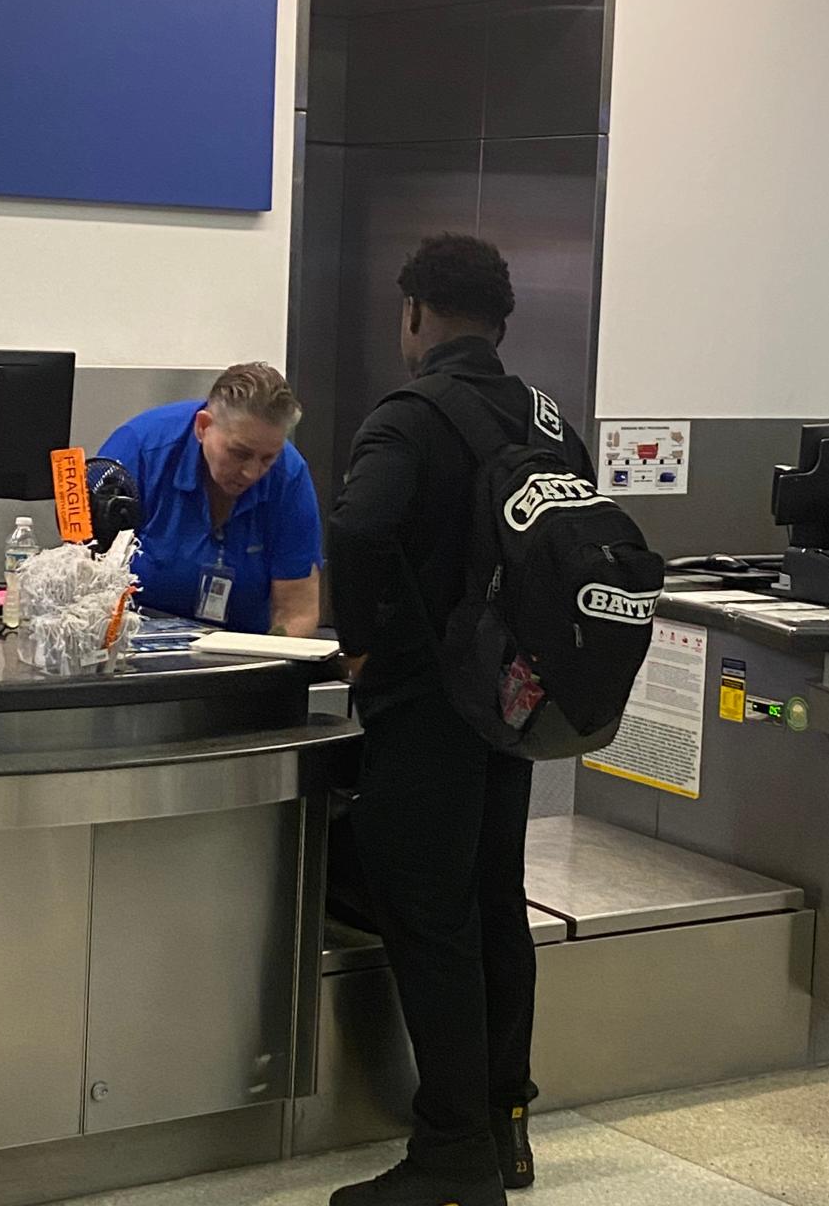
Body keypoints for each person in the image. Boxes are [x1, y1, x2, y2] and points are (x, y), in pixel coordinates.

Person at [327, 235, 595, 1206]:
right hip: (510, 709)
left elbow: (358, 527)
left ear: (416, 313)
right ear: (502, 319)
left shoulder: (410, 414)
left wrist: (359, 643)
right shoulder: (552, 421)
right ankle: (502, 1123)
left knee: (429, 919)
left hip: (424, 705)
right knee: (493, 906)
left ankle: (449, 1159)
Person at [99, 362, 321, 636]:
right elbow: (87, 584)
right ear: (203, 426)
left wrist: (276, 670)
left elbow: (296, 610)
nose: (252, 472)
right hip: (133, 645)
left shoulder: (289, 475)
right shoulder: (137, 451)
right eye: (239, 453)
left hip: (243, 650)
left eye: (268, 458)